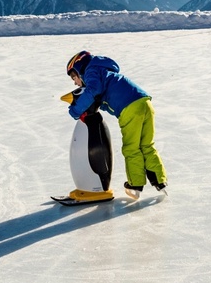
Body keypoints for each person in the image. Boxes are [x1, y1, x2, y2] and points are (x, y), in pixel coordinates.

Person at [65, 51, 167, 199]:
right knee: (146, 145)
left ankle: (136, 184)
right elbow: (99, 96)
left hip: (129, 108)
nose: (75, 82)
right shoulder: (103, 71)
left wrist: (75, 110)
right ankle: (159, 180)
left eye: (74, 77)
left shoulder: (91, 71)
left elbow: (93, 90)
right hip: (144, 102)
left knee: (131, 147)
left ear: (80, 69)